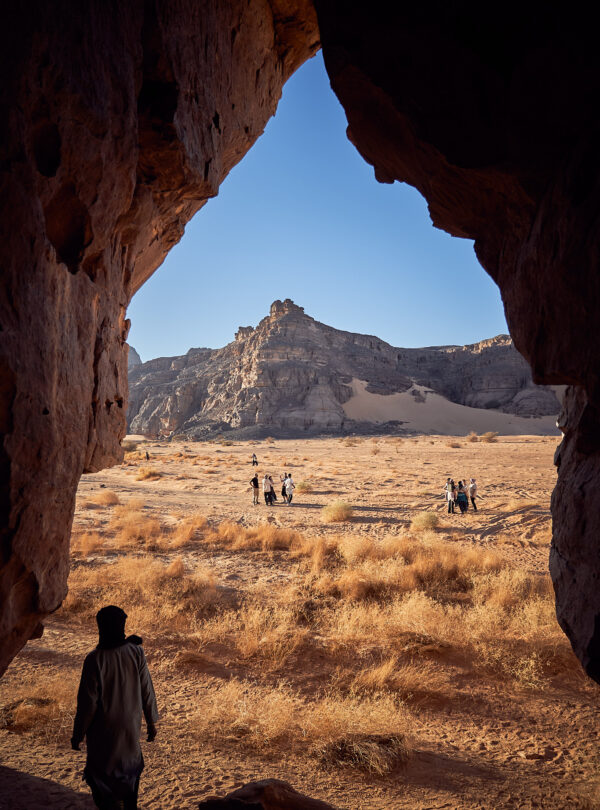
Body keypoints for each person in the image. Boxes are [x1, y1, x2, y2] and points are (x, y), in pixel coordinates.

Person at [71, 605, 158, 810]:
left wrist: (78, 735)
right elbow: (147, 690)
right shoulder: (136, 651)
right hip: (129, 730)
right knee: (131, 777)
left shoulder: (94, 659)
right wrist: (151, 724)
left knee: (103, 784)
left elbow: (87, 705)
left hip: (104, 734)